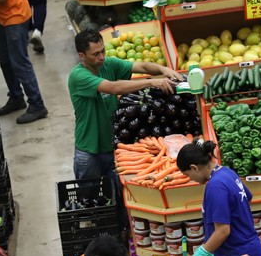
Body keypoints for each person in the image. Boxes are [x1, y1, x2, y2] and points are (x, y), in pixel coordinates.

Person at [69, 28, 181, 187]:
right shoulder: (78, 76)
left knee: (118, 196)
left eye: (103, 51)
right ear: (82, 56)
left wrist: (163, 69)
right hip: (89, 151)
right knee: (92, 200)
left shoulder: (108, 64)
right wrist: (151, 82)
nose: (101, 57)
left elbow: (141, 66)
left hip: (114, 147)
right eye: (95, 54)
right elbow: (114, 88)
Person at [175, 140, 261, 256]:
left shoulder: (215, 186)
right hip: (250, 250)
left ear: (194, 168)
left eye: (188, 175)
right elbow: (248, 196)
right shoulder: (227, 172)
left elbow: (223, 230)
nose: (191, 179)